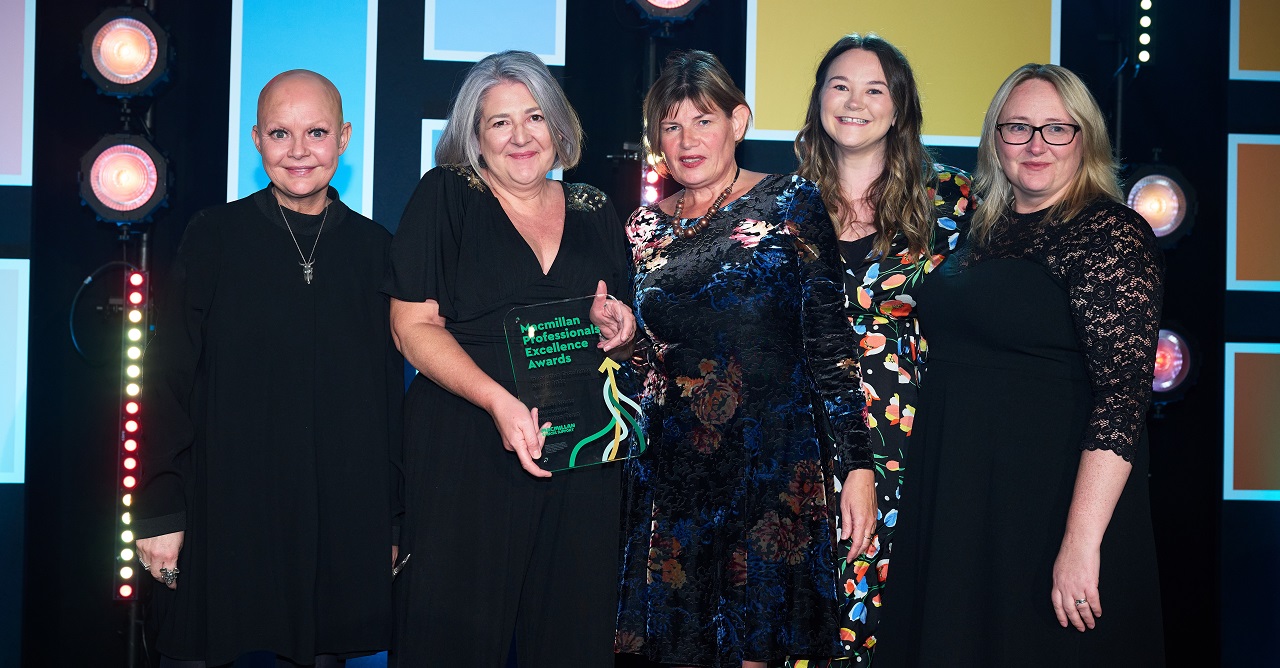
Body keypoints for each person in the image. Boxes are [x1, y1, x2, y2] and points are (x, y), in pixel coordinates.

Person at [878, 64, 1166, 666]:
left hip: (1046, 511)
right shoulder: (981, 233)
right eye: (1018, 128)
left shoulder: (1109, 234)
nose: (1036, 144)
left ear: (1084, 139)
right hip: (962, 505)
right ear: (995, 140)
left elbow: (1123, 401)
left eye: (1056, 129)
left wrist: (1081, 544)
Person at [615, 49, 876, 668]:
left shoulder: (792, 203)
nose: (686, 141)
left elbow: (829, 343)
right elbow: (646, 364)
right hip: (672, 476)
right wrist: (623, 339)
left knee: (756, 647)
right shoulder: (641, 229)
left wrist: (857, 467)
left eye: (704, 121)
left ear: (740, 120)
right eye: (671, 126)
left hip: (771, 467)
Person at [133, 70, 404, 667]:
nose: (300, 151)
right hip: (224, 515)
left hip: (336, 520)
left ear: (345, 137)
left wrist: (391, 522)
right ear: (255, 139)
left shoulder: (378, 250)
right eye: (281, 133)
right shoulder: (213, 237)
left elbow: (390, 398)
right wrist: (159, 509)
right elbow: (167, 380)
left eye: (317, 132)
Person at [383, 50, 636, 667]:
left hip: (582, 453)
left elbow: (620, 326)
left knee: (574, 640)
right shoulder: (447, 195)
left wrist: (621, 331)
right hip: (466, 446)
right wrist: (498, 402)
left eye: (535, 118)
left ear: (558, 126)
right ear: (474, 136)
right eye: (499, 123)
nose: (521, 137)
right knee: (451, 643)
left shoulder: (596, 208)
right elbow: (411, 327)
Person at [787, 34, 974, 665]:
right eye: (839, 85)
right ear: (817, 100)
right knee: (799, 607)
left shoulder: (955, 199)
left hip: (906, 435)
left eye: (876, 89)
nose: (855, 102)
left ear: (901, 107)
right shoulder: (783, 204)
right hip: (801, 429)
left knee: (890, 611)